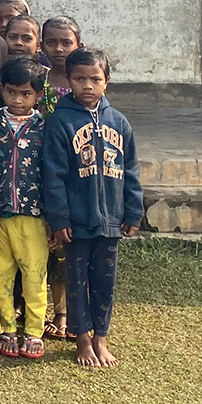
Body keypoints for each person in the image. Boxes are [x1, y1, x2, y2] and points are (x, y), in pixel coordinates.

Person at [42, 48, 142, 368]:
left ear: (106, 82)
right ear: (68, 80)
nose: (87, 85)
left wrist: (133, 211)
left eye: (95, 79)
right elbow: (53, 175)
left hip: (111, 219)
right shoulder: (60, 121)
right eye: (80, 78)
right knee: (76, 278)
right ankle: (82, 338)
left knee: (105, 279)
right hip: (76, 220)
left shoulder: (119, 122)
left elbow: (131, 171)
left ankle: (101, 336)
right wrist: (59, 218)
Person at [0, 55, 50, 361]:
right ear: (2, 90)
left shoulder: (45, 128)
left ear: (38, 95)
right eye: (11, 92)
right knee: (0, 274)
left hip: (34, 216)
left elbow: (53, 172)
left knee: (34, 276)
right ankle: (6, 326)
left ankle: (33, 330)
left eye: (25, 94)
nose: (17, 99)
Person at [40, 16, 83, 117]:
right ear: (41, 46)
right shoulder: (37, 79)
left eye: (66, 43)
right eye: (51, 43)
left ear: (79, 47)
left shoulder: (88, 80)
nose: (58, 49)